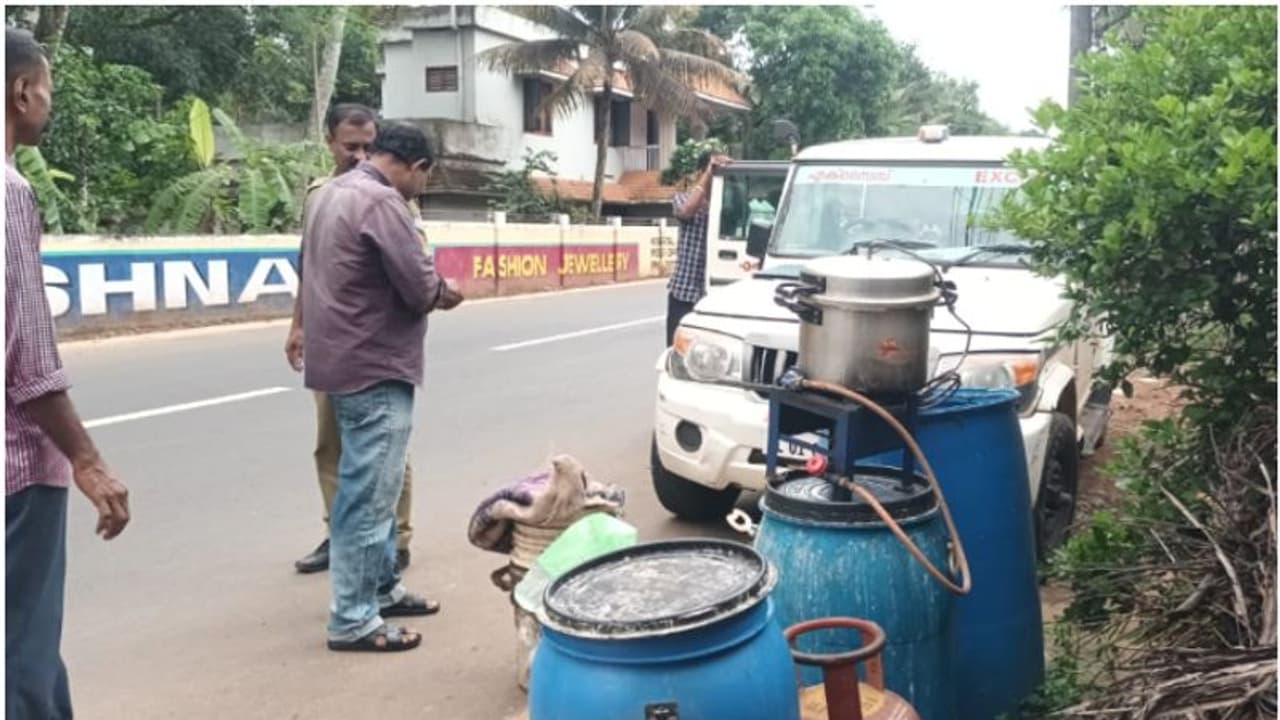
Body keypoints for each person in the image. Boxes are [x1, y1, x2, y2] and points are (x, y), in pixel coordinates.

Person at [6, 27, 131, 717]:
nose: (49, 104)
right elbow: (27, 355)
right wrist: (87, 459)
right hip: (17, 468)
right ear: (23, 92)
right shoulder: (9, 193)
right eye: (48, 90)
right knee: (21, 649)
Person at [301, 122, 463, 652]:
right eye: (424, 179)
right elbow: (419, 287)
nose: (420, 188)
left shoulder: (331, 194)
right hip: (374, 363)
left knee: (377, 488)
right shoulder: (383, 202)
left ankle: (384, 586)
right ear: (416, 167)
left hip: (341, 359)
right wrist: (448, 291)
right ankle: (353, 618)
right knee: (369, 496)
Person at [285, 104, 418, 575]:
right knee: (331, 445)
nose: (360, 156)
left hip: (374, 349)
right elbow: (310, 264)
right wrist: (298, 324)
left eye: (368, 147)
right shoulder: (319, 196)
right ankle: (338, 534)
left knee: (385, 450)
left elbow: (414, 274)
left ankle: (396, 539)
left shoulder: (393, 197)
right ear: (329, 143)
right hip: (329, 342)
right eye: (350, 147)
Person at [667, 150, 732, 346]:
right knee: (677, 350)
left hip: (712, 294)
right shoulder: (681, 198)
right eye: (712, 171)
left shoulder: (725, 207)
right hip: (683, 292)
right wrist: (709, 173)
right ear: (700, 173)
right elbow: (686, 211)